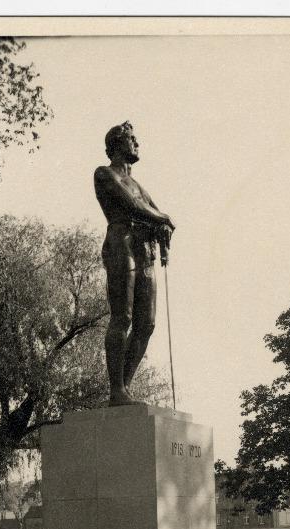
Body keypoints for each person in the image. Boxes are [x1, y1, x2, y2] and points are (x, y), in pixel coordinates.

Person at [94, 121, 175, 406]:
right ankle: (116, 390)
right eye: (132, 139)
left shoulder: (140, 184)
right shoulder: (104, 173)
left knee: (147, 324)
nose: (137, 144)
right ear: (116, 143)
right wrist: (162, 219)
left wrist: (161, 228)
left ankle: (124, 389)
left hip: (144, 249)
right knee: (123, 317)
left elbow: (151, 211)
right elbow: (132, 206)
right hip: (121, 243)